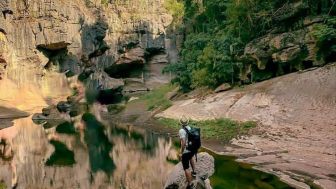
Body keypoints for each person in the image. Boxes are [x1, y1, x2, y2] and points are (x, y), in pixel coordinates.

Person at [178, 117, 196, 189]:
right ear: (187, 122)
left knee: (186, 168)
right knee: (191, 157)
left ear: (181, 123)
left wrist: (181, 152)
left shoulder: (181, 131)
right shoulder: (190, 128)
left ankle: (190, 184)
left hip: (186, 149)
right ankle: (194, 172)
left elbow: (183, 143)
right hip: (192, 147)